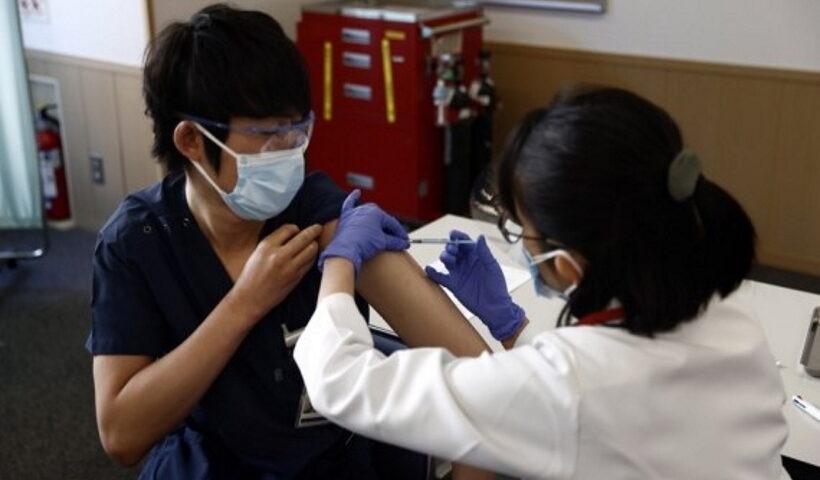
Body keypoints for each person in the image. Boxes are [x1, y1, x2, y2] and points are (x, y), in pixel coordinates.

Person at [294, 86, 791, 479]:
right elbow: (607, 388)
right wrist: (512, 326)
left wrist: (340, 263)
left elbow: (344, 385)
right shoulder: (725, 310)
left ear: (570, 264)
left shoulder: (571, 388)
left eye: (523, 231)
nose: (521, 244)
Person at [87, 4, 489, 479]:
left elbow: (481, 383)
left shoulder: (323, 218)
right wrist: (244, 304)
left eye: (298, 129)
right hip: (208, 465)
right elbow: (121, 434)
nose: (290, 153)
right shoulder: (137, 242)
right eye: (268, 134)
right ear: (192, 140)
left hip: (330, 464)